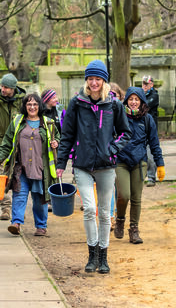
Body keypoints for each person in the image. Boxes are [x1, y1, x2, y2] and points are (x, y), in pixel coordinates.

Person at [56, 60, 132, 274]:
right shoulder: (77, 103)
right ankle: (92, 254)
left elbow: (126, 133)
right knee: (89, 209)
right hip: (82, 165)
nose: (94, 82)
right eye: (90, 78)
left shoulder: (114, 105)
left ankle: (103, 256)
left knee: (105, 213)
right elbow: (67, 135)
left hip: (106, 166)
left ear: (104, 81)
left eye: (98, 78)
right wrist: (61, 163)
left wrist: (113, 149)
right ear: (87, 80)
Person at [0, 93, 60, 236]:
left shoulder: (48, 123)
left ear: (39, 106)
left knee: (39, 199)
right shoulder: (17, 121)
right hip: (20, 168)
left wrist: (56, 143)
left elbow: (58, 139)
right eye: (29, 104)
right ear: (25, 106)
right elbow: (6, 142)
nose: (32, 107)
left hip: (40, 169)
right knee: (19, 195)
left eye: (35, 104)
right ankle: (16, 223)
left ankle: (41, 226)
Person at [114, 87, 165, 244]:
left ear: (142, 102)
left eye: (137, 99)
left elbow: (154, 144)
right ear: (126, 101)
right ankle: (120, 219)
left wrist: (159, 164)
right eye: (131, 99)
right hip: (121, 161)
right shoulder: (119, 117)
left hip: (139, 161)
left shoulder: (147, 119)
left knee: (136, 197)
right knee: (124, 195)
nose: (134, 102)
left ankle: (134, 229)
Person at [0, 73, 26, 221]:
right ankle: (6, 208)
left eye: (6, 87)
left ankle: (18, 208)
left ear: (13, 88)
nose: (3, 89)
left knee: (17, 178)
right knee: (1, 178)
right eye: (2, 86)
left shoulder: (23, 101)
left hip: (17, 145)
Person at [108, 82, 125, 230]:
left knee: (120, 190)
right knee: (109, 187)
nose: (114, 98)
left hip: (120, 154)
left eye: (116, 95)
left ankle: (117, 215)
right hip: (108, 156)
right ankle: (110, 216)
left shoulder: (122, 111)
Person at [142, 75, 159, 187]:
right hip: (141, 127)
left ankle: (152, 177)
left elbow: (145, 106)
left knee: (150, 153)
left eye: (146, 84)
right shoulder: (140, 95)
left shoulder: (154, 95)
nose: (144, 86)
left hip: (151, 128)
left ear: (151, 84)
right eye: (143, 84)